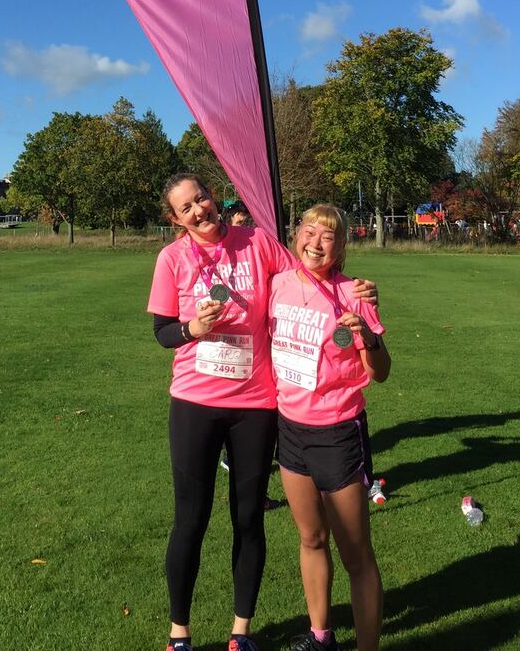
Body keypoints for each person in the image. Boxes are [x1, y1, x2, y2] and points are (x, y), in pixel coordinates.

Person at [148, 175, 377, 651]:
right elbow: (163, 331)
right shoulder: (172, 259)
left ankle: (241, 632)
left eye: (202, 198)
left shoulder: (257, 242)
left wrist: (357, 289)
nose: (198, 211)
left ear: (214, 197)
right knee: (190, 518)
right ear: (175, 218)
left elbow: (311, 272)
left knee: (248, 516)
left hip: (256, 405)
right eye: (185, 207)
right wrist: (191, 328)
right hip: (194, 401)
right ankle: (179, 635)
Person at [270, 205, 390, 651]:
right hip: (290, 429)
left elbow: (380, 371)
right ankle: (321, 636)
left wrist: (368, 337)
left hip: (339, 431)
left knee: (356, 555)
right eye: (308, 230)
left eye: (328, 236)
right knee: (311, 537)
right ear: (296, 235)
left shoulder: (354, 294)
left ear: (340, 247)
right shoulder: (277, 284)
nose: (315, 242)